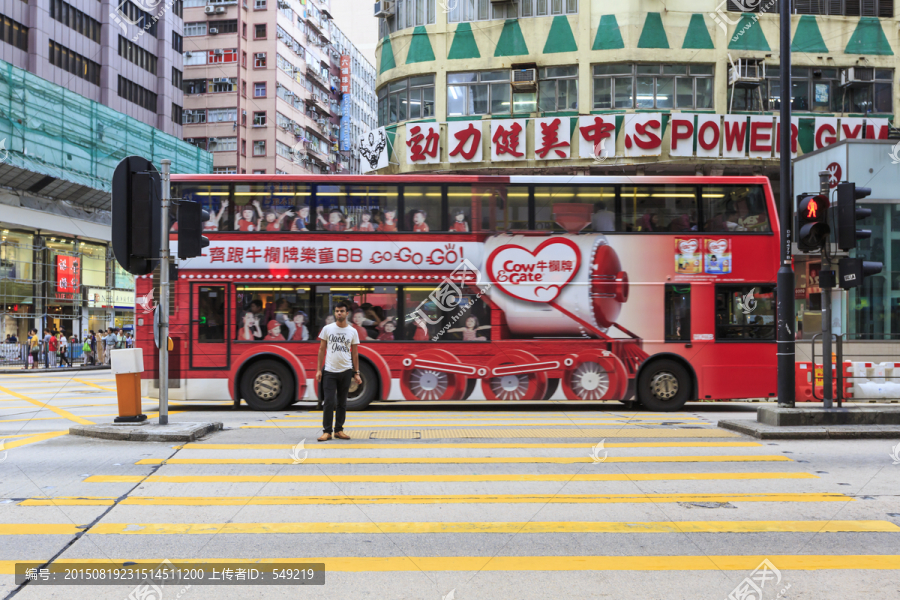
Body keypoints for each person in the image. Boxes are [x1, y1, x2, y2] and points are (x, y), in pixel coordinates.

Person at [315, 301, 361, 442]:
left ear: (347, 314)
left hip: (346, 371)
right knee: (328, 401)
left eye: (341, 311)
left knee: (342, 402)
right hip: (329, 371)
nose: (339, 313)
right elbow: (322, 349)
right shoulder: (327, 329)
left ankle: (339, 430)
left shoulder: (352, 331)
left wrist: (356, 372)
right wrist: (318, 370)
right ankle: (327, 431)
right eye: (336, 311)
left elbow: (355, 353)